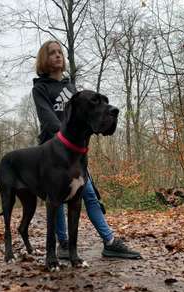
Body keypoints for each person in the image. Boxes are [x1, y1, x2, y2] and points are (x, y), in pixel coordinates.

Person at [32, 40, 141, 260]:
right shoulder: (40, 88)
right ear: (44, 59)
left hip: (75, 151)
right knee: (57, 198)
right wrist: (64, 136)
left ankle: (110, 241)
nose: (57, 56)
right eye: (52, 53)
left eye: (60, 52)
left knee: (89, 194)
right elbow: (48, 119)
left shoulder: (71, 87)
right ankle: (63, 244)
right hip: (52, 150)